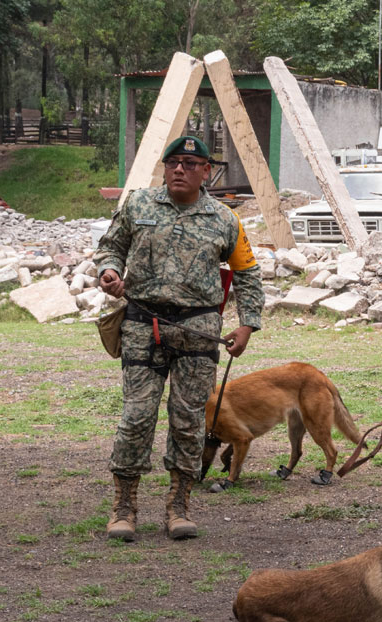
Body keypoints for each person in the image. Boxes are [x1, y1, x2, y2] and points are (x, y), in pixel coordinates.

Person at [94, 136, 263, 542]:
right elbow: (110, 246)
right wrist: (109, 271)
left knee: (189, 421)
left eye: (190, 163)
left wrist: (247, 324)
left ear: (207, 170)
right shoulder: (137, 205)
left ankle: (179, 504)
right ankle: (124, 507)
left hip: (198, 332)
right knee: (136, 416)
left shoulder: (225, 219)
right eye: (173, 162)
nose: (179, 169)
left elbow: (248, 273)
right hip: (143, 326)